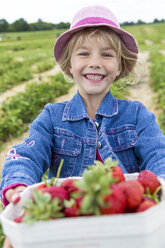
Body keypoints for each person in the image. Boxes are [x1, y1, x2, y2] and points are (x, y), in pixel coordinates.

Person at [1, 5, 165, 247]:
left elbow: (158, 155)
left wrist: (160, 183)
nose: (95, 63)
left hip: (127, 226)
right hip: (69, 229)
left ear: (120, 66)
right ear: (69, 64)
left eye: (107, 55)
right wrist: (18, 186)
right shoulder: (51, 118)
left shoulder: (137, 115)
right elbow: (26, 156)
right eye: (84, 54)